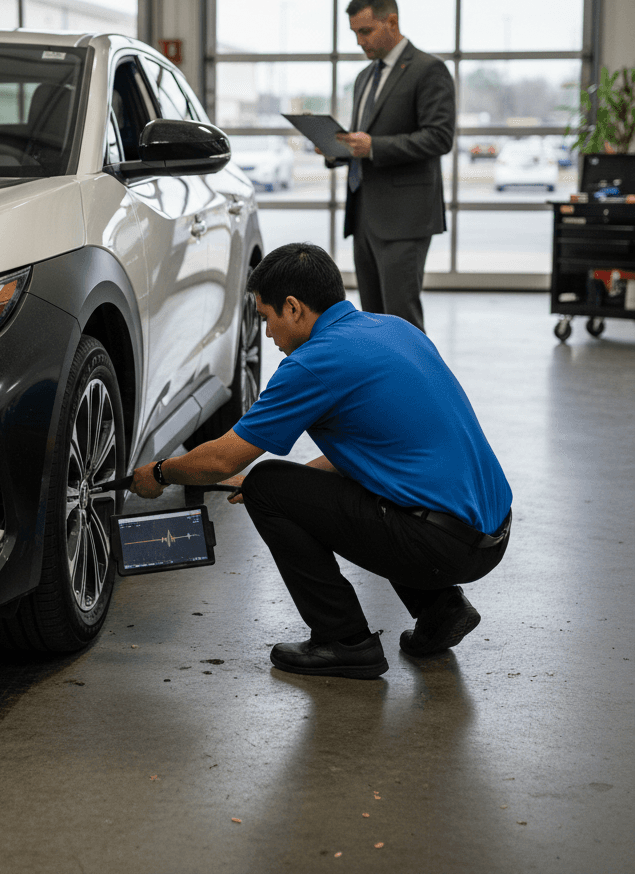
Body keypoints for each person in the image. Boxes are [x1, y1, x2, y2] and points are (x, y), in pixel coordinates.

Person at [130, 243, 512, 680]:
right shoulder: (391, 328)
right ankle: (440, 609)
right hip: (491, 534)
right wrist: (303, 486)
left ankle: (344, 640)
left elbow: (219, 460)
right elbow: (380, 450)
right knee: (291, 483)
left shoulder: (313, 364)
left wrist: (157, 473)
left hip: (441, 545)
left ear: (293, 308)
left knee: (265, 485)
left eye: (266, 317)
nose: (268, 334)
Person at [328, 0, 456, 333]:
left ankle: (415, 388)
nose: (359, 41)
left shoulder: (429, 70)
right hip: (364, 214)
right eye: (355, 33)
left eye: (366, 31)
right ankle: (383, 388)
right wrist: (336, 147)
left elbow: (440, 137)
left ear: (392, 22)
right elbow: (363, 140)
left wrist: (374, 147)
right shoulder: (363, 78)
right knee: (373, 319)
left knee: (402, 322)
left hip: (405, 217)